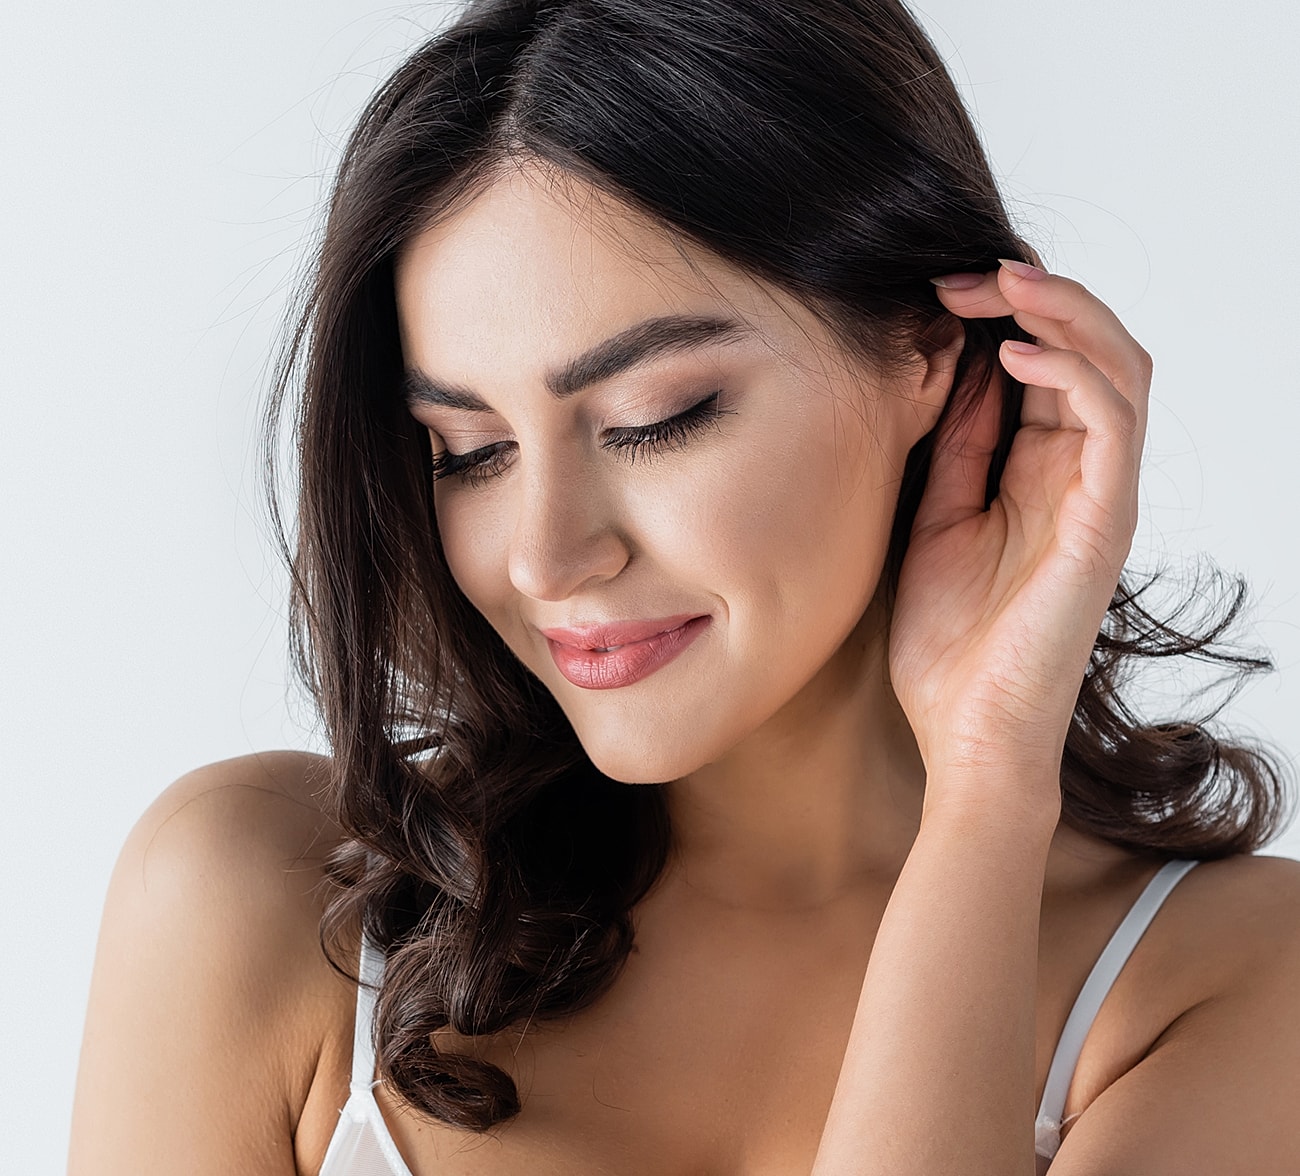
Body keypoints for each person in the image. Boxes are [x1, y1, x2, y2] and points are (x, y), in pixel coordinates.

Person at [69, 0, 1300, 1172]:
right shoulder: (264, 904)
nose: (547, 558)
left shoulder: (1233, 982)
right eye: (471, 451)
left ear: (927, 348)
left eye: (658, 419)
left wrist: (986, 787)